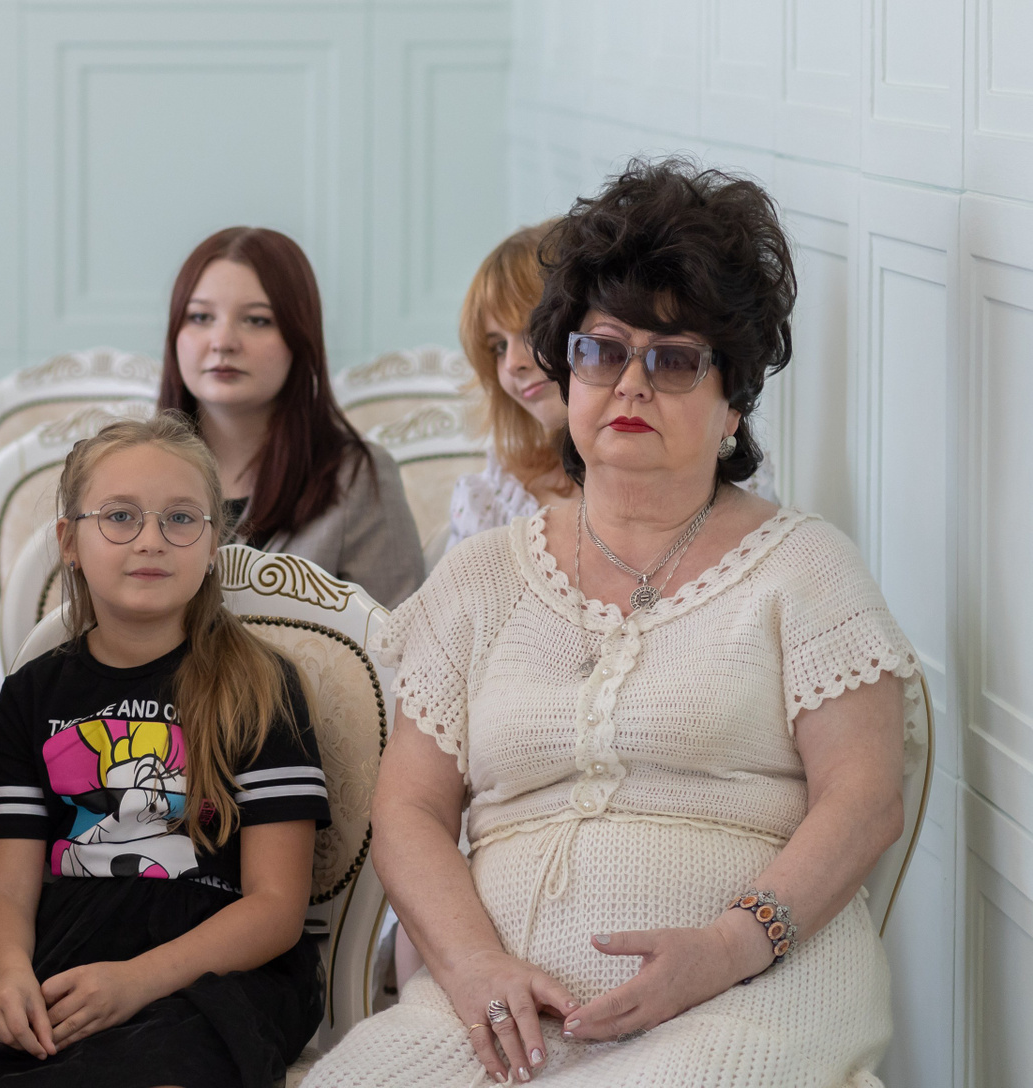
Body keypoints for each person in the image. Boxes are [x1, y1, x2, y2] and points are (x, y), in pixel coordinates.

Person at [306, 160, 922, 1087]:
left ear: (733, 403)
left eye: (674, 361)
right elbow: (409, 810)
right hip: (505, 1006)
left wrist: (729, 947)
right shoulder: (481, 576)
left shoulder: (804, 567)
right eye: (602, 352)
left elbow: (865, 801)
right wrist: (472, 966)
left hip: (748, 994)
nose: (631, 383)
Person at [0, 414, 331, 1088]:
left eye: (180, 519)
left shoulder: (260, 687)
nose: (151, 539)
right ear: (69, 541)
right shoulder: (32, 694)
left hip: (207, 973)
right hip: (60, 953)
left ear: (213, 542)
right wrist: (8, 976)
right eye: (120, 516)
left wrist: (137, 981)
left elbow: (275, 907)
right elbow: (4, 888)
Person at [445, 221, 777, 554]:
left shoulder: (752, 512)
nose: (513, 363)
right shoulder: (488, 502)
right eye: (498, 346)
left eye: (531, 334)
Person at [159, 227, 425, 608]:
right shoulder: (131, 470)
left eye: (257, 320)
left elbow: (399, 635)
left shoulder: (358, 478)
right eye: (200, 316)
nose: (223, 342)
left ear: (300, 339)